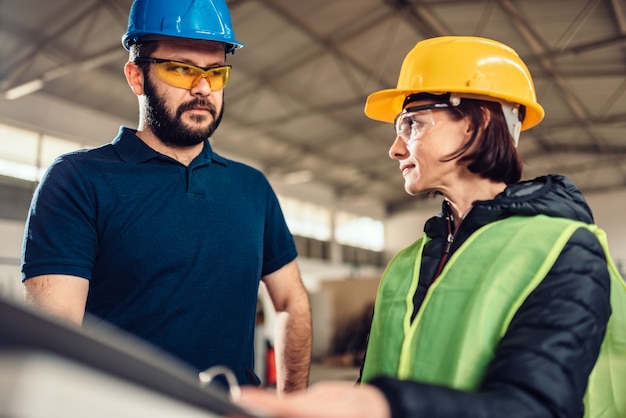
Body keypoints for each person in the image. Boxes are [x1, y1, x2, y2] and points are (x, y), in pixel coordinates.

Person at [237, 36, 626, 417]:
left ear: (477, 123)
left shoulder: (565, 249)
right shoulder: (407, 263)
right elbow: (377, 377)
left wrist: (384, 406)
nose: (395, 149)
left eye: (411, 124)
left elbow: (536, 405)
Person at [20, 0, 311, 393]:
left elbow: (291, 301)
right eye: (181, 69)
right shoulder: (78, 180)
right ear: (136, 76)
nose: (202, 88)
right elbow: (57, 342)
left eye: (216, 73)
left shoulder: (252, 188)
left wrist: (291, 404)